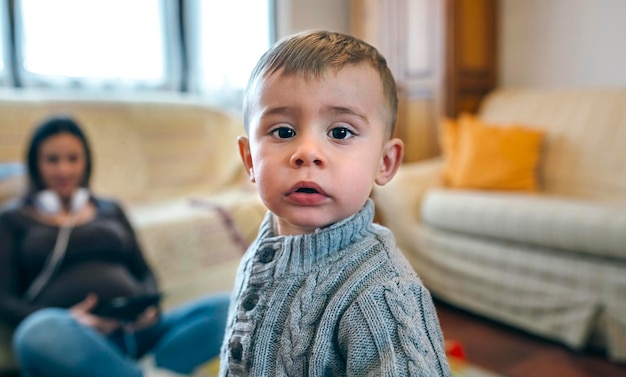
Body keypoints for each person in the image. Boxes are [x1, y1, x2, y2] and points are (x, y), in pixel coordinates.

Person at [220, 30, 451, 376]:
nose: (307, 153)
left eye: (340, 132)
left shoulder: (382, 294)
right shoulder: (265, 247)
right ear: (250, 159)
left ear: (385, 163)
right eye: (283, 131)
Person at [0, 117, 230, 377]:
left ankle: (139, 371)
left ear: (86, 162)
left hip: (140, 333)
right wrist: (72, 318)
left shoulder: (110, 209)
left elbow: (144, 272)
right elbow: (5, 299)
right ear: (35, 164)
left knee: (229, 309)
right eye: (52, 160)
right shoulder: (12, 219)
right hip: (75, 340)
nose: (64, 169)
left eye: (73, 159)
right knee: (37, 331)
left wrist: (148, 308)